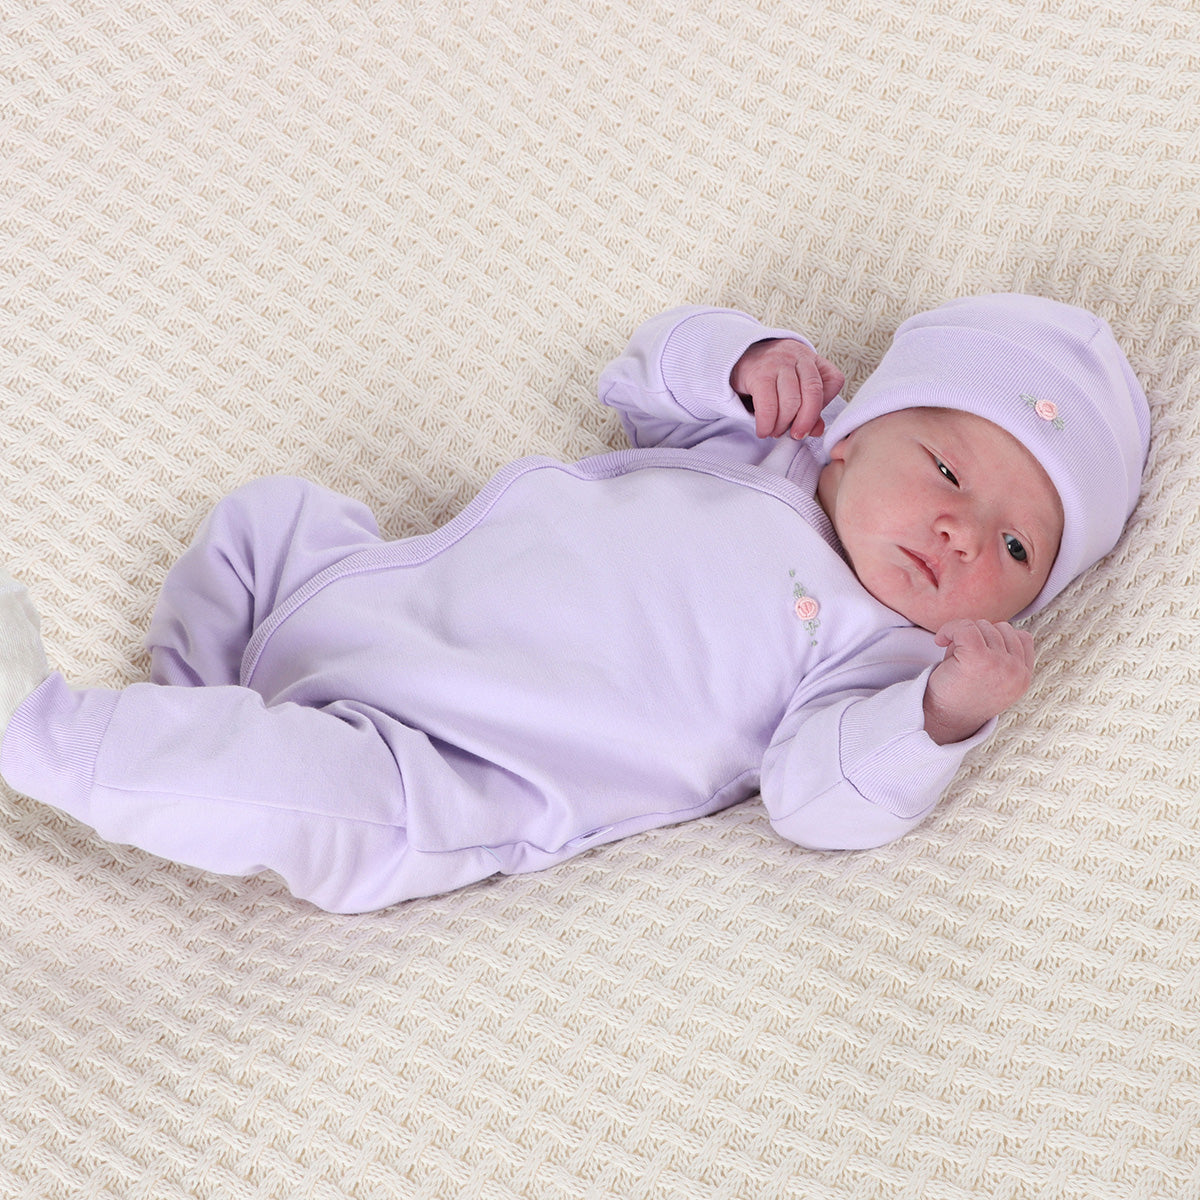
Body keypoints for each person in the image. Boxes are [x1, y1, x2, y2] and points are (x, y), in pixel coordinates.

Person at [0, 295, 1150, 913]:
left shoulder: (882, 662)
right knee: (266, 515)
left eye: (1017, 545)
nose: (963, 532)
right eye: (947, 470)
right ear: (853, 435)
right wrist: (740, 361)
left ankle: (43, 731)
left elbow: (819, 798)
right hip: (376, 600)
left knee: (298, 791)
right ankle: (187, 709)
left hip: (453, 765)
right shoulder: (764, 447)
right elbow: (637, 380)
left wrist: (944, 716)